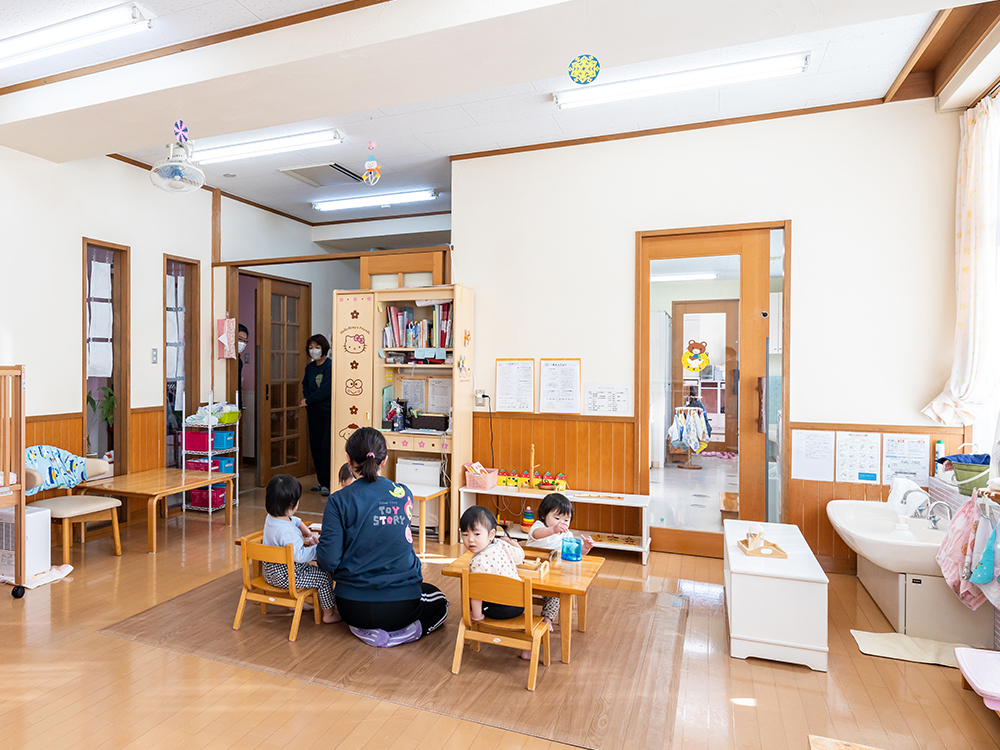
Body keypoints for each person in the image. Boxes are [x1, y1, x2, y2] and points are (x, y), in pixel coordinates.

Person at [316, 427, 448, 648]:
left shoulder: (337, 500)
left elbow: (328, 560)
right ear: (384, 459)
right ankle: (404, 634)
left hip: (350, 607)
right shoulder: (403, 493)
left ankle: (361, 629)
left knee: (364, 609)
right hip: (401, 605)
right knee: (441, 602)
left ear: (348, 459)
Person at [262, 474, 340, 624]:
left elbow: (291, 519)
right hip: (288, 577)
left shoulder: (271, 518)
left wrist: (302, 526)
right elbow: (300, 556)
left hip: (270, 572)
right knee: (324, 577)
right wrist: (317, 548)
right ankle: (329, 614)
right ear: (292, 504)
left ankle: (296, 602)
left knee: (307, 568)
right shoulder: (288, 533)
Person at [525, 493, 595, 628]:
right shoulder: (538, 526)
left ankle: (547, 619)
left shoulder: (566, 535)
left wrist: (585, 547)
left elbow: (576, 553)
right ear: (544, 515)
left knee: (555, 596)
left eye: (566, 520)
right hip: (532, 571)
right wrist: (553, 530)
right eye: (557, 518)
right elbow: (536, 534)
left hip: (554, 574)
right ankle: (519, 616)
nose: (562, 523)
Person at [300, 334, 332, 496]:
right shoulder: (309, 367)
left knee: (326, 447)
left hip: (327, 412)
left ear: (324, 348)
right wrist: (308, 399)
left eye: (317, 347)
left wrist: (309, 400)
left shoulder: (330, 366)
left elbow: (326, 389)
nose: (314, 351)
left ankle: (328, 482)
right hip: (313, 412)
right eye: (311, 347)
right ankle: (321, 481)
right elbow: (305, 385)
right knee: (315, 447)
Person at [236, 324, 249, 411]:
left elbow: (238, 384)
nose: (242, 343)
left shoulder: (239, 360)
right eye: (240, 339)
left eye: (245, 341)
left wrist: (239, 406)